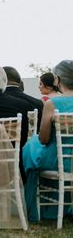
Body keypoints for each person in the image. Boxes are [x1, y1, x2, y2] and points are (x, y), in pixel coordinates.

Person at [22, 60, 73, 222]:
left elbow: (44, 139)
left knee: (30, 148)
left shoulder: (52, 103)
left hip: (58, 161)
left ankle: (41, 210)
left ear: (58, 80)